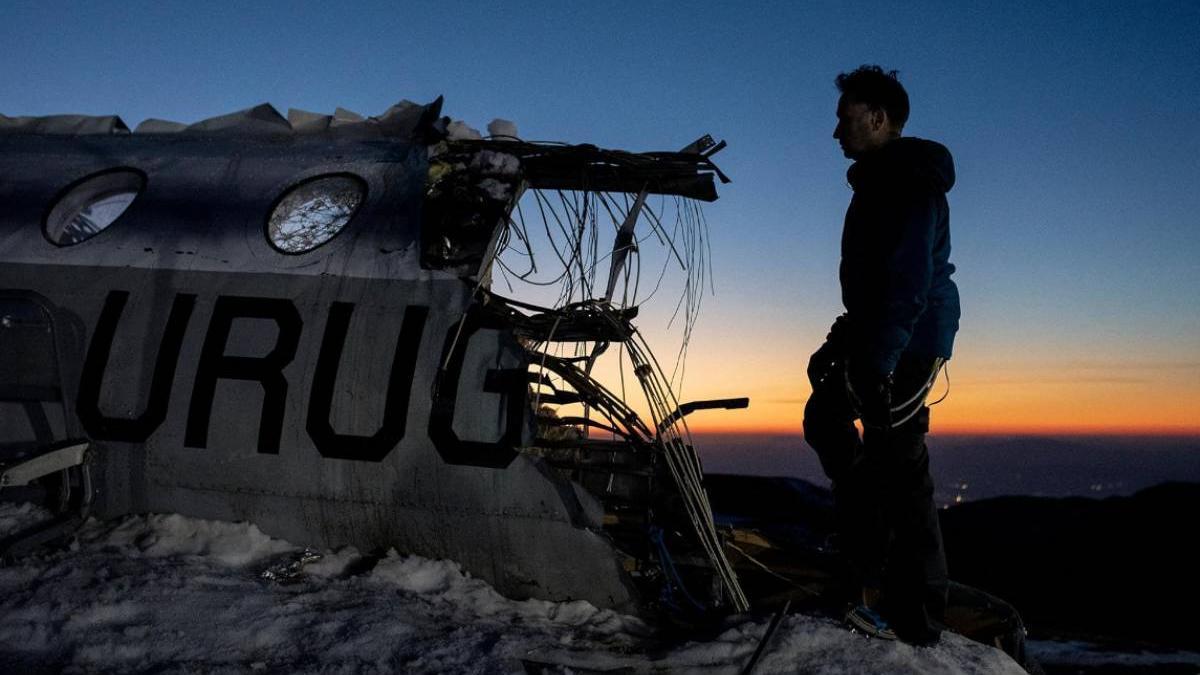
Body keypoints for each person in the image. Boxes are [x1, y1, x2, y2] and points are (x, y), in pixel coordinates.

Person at [803, 65, 960, 645]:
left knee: (900, 459)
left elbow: (909, 284)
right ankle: (867, 547)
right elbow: (874, 286)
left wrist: (880, 359)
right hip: (881, 332)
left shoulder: (908, 183)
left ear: (878, 118)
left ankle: (918, 614)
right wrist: (840, 340)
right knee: (827, 420)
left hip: (910, 339)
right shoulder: (878, 180)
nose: (836, 132)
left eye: (845, 119)